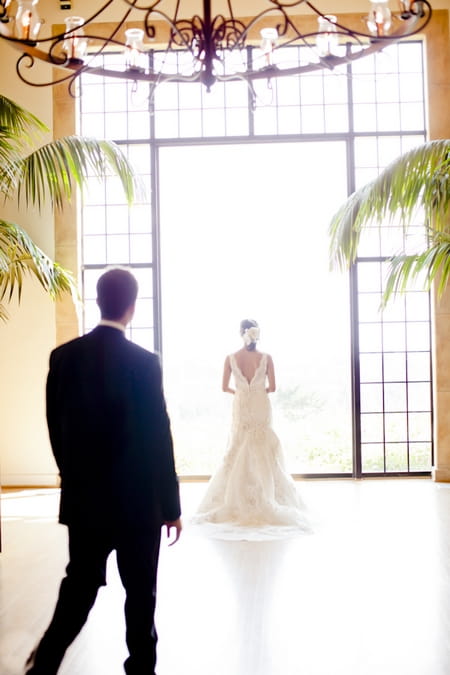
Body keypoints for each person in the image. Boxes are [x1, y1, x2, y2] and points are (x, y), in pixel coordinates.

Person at [25, 267, 182, 675]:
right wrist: (171, 504)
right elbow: (158, 437)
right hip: (138, 504)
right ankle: (141, 670)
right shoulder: (146, 363)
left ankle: (44, 664)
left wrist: (72, 479)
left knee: (78, 588)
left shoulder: (63, 357)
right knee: (140, 595)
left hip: (86, 501)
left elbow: (54, 426)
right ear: (131, 307)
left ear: (98, 302)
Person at [194, 319, 310, 537]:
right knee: (262, 445)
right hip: (260, 404)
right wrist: (257, 391)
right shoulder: (267, 358)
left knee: (237, 445)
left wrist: (240, 392)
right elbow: (272, 388)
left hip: (241, 404)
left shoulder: (230, 358)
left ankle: (234, 496)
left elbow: (223, 387)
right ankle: (267, 493)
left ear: (241, 334)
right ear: (257, 335)